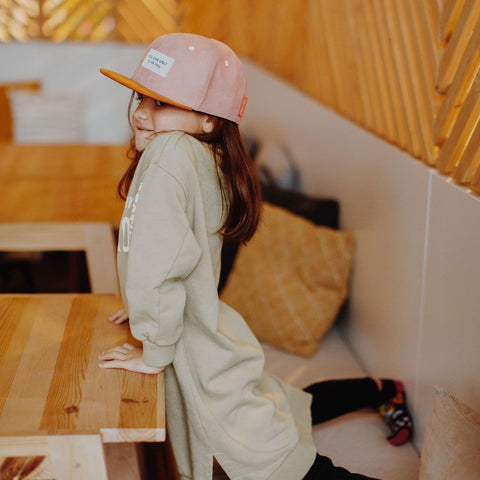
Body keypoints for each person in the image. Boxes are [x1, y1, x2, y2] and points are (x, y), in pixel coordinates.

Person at [98, 33, 412, 480]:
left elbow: (160, 259)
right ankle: (380, 389)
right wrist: (145, 307)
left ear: (209, 119)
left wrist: (154, 347)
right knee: (280, 406)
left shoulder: (170, 152)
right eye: (140, 97)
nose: (142, 113)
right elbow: (175, 252)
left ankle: (381, 390)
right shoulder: (198, 152)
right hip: (208, 331)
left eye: (162, 102)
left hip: (200, 349)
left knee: (280, 460)